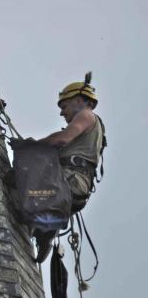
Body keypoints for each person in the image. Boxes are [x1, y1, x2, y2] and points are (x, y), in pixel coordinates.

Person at [34, 72, 105, 262]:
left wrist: (29, 147)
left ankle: (45, 225)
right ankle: (45, 229)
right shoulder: (91, 129)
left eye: (64, 106)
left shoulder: (86, 115)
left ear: (79, 100)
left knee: (18, 177)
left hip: (70, 180)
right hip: (76, 187)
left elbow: (61, 139)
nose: (61, 112)